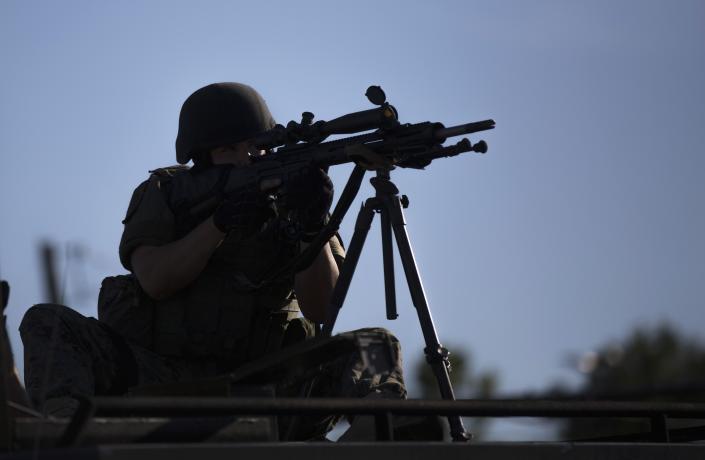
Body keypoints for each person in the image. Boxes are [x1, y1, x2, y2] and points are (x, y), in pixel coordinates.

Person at [19, 82, 407, 441]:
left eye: (255, 148)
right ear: (200, 159)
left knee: (374, 346)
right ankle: (65, 438)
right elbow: (155, 278)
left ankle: (384, 437)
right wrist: (219, 222)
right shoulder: (167, 192)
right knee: (48, 321)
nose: (245, 160)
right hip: (161, 377)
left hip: (270, 382)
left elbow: (322, 306)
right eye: (227, 150)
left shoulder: (297, 198)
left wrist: (311, 223)